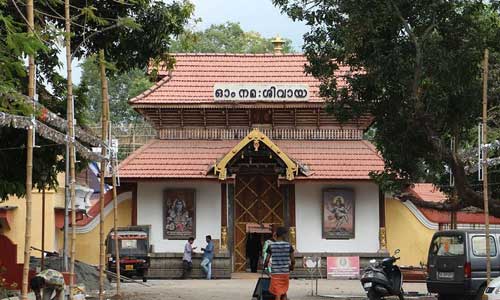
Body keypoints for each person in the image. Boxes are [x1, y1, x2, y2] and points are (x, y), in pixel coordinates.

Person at [264, 227, 295, 300]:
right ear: (283, 235)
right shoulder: (289, 246)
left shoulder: (271, 246)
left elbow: (267, 260)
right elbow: (293, 260)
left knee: (278, 293)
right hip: (285, 273)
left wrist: (265, 266)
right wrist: (292, 267)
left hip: (275, 273)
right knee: (283, 291)